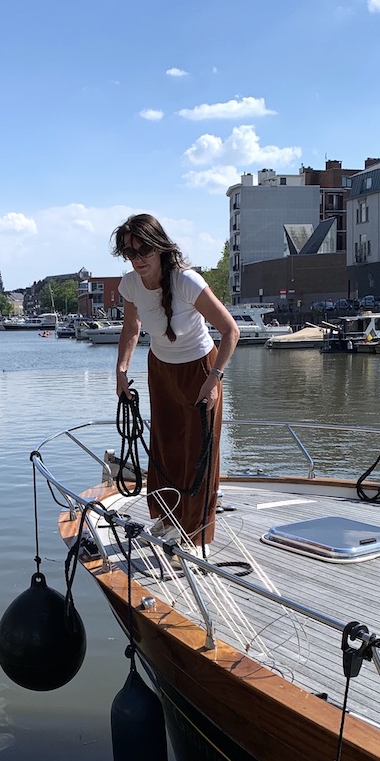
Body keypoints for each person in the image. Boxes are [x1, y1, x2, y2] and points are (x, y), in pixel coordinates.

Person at [111, 213, 239, 550]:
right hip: (161, 370)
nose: (137, 260)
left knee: (198, 451)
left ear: (159, 248)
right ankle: (168, 519)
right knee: (166, 447)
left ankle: (194, 534)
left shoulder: (187, 282)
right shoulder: (129, 284)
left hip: (201, 370)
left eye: (144, 251)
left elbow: (230, 331)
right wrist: (121, 371)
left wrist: (214, 379)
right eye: (130, 253)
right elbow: (131, 329)